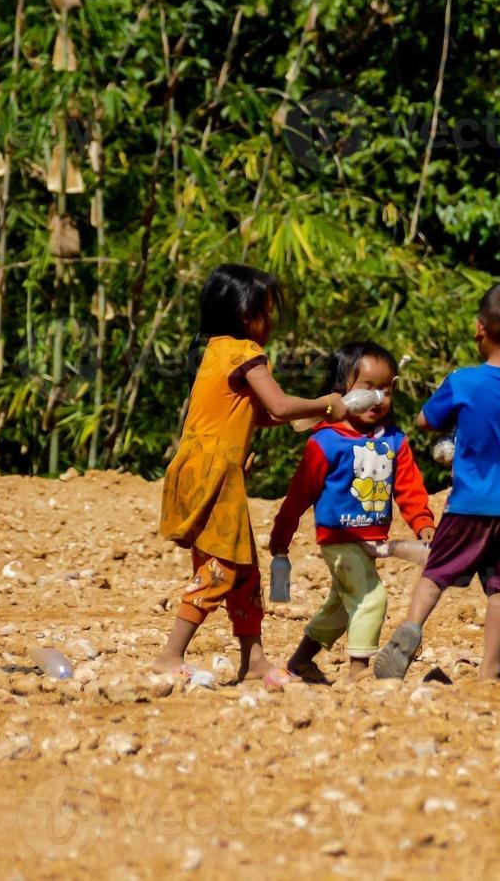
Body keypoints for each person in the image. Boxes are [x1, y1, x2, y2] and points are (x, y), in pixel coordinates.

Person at [153, 264, 349, 687]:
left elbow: (256, 414)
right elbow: (278, 406)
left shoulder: (214, 350)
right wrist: (326, 400)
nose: (272, 321)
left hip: (198, 467)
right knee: (222, 567)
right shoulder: (244, 352)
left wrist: (315, 413)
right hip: (217, 472)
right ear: (247, 317)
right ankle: (170, 655)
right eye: (267, 311)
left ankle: (254, 659)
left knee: (243, 570)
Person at [372, 281, 500, 683]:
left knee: (436, 572)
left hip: (469, 503)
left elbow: (425, 421)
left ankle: (412, 629)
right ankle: (489, 672)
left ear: (479, 329)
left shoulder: (464, 381)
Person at [269, 342, 436, 682]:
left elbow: (409, 488)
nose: (378, 399)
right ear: (340, 393)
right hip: (339, 539)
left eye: (386, 390)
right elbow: (299, 496)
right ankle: (358, 671)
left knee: (341, 608)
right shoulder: (326, 441)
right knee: (370, 597)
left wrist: (423, 524)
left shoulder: (394, 440)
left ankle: (300, 661)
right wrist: (280, 538)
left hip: (372, 539)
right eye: (368, 388)